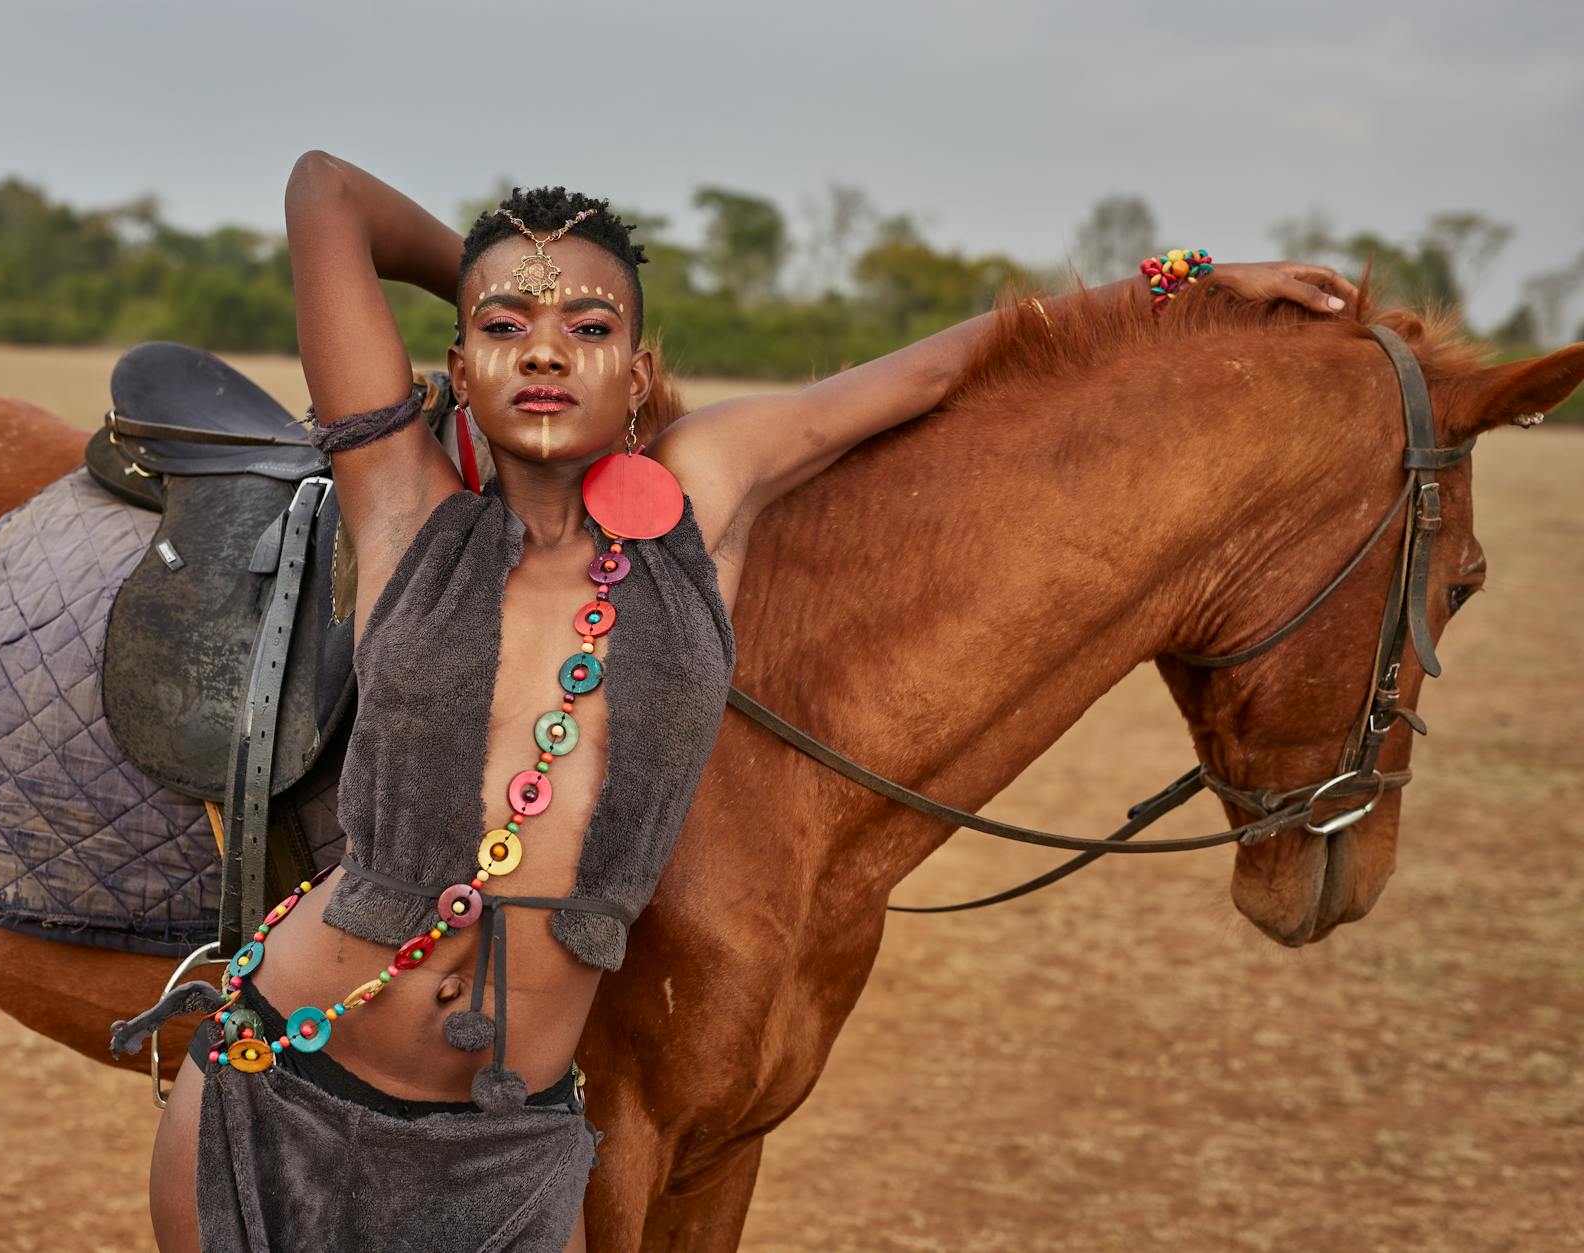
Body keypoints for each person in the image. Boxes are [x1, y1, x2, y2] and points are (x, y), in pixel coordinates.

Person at [140, 152, 1360, 1251]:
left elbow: (944, 365)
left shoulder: (704, 490)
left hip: (502, 1154)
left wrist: (1187, 281)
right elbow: (322, 192)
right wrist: (481, 258)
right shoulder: (399, 506)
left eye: (589, 322)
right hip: (277, 1086)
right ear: (459, 364)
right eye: (505, 326)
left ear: (643, 364)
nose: (547, 348)